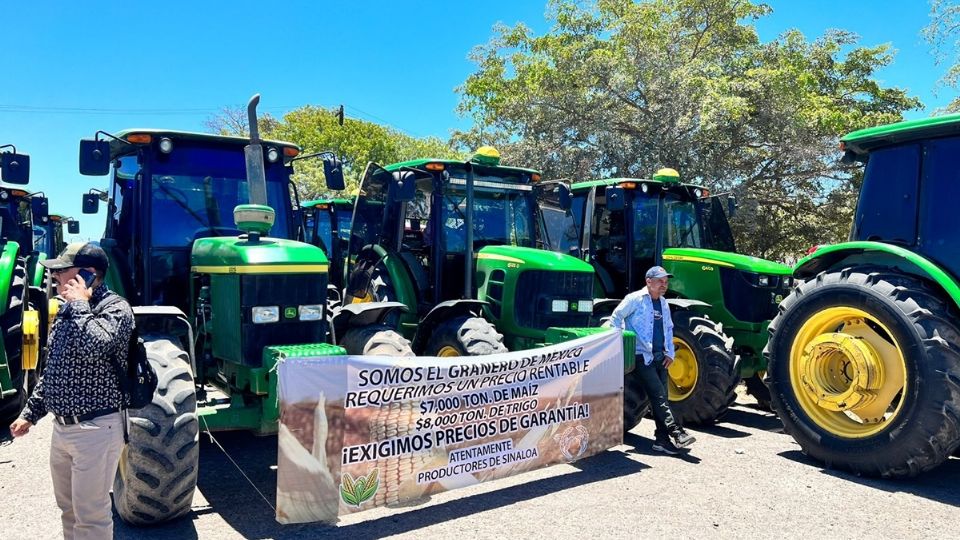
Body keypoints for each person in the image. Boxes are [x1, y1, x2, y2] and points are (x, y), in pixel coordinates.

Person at [9, 242, 134, 540]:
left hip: (97, 429)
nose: (55, 278)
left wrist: (79, 304)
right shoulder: (67, 312)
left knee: (91, 516)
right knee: (69, 511)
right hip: (63, 430)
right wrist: (31, 413)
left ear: (88, 275)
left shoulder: (115, 308)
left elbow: (98, 346)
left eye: (62, 272)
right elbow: (54, 370)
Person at [610, 265, 696, 455]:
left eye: (666, 282)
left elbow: (668, 330)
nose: (664, 285)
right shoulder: (635, 299)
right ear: (649, 282)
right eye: (660, 281)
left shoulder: (664, 303)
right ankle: (676, 431)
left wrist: (670, 354)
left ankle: (662, 440)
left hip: (660, 358)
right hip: (641, 357)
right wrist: (620, 340)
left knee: (662, 398)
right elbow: (615, 317)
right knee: (658, 395)